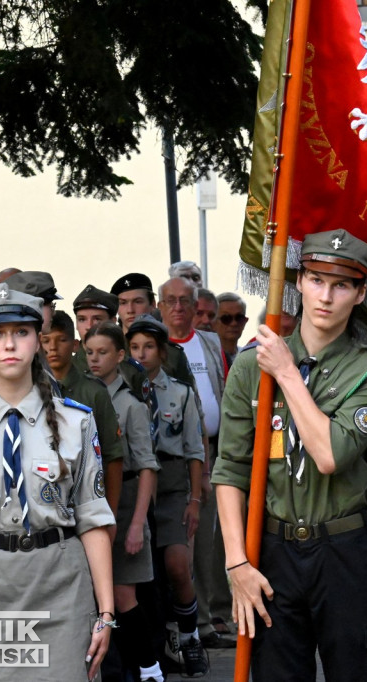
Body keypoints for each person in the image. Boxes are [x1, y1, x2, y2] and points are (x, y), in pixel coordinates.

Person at [214, 229, 367, 680]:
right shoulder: (248, 366)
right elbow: (230, 471)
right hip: (272, 551)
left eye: (341, 285)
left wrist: (286, 374)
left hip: (344, 551)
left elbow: (330, 454)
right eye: (316, 280)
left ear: (359, 295)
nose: (326, 296)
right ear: (297, 283)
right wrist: (237, 562)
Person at [0, 283, 115, 682]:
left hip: (61, 586)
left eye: (21, 332)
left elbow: (94, 519)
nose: (9, 344)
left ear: (37, 341)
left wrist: (106, 612)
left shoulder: (76, 421)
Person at [126, 314, 209, 676]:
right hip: (137, 484)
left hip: (173, 482)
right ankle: (158, 645)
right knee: (147, 574)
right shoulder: (124, 391)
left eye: (148, 347)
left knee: (177, 564)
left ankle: (190, 635)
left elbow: (194, 448)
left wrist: (194, 500)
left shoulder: (181, 392)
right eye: (134, 347)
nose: (141, 354)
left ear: (162, 351)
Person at [84, 323, 165, 682]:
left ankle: (150, 669)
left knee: (122, 597)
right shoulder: (83, 396)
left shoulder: (130, 404)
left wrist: (136, 525)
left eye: (103, 352)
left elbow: (147, 466)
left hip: (128, 498)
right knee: (98, 598)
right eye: (89, 353)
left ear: (120, 356)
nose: (95, 359)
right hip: (92, 498)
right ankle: (116, 671)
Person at [156, 276, 233, 647]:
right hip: (177, 458)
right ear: (160, 305)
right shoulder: (155, 344)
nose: (179, 308)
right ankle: (189, 624)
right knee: (181, 542)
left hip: (214, 451)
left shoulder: (210, 342)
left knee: (209, 541)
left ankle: (209, 619)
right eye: (171, 300)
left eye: (186, 300)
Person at [42, 311, 125, 517]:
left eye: (61, 340)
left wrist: (110, 514)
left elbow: (113, 456)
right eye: (46, 340)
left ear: (75, 345)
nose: (53, 348)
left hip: (87, 500)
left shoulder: (94, 392)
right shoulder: (32, 391)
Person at [71, 284, 119, 373]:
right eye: (82, 319)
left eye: (97, 319)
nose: (89, 326)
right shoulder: (65, 369)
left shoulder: (129, 370)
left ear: (113, 322)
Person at [214, 292, 248, 367]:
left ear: (245, 321)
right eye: (226, 318)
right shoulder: (206, 357)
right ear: (214, 322)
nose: (234, 323)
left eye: (239, 318)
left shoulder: (249, 357)